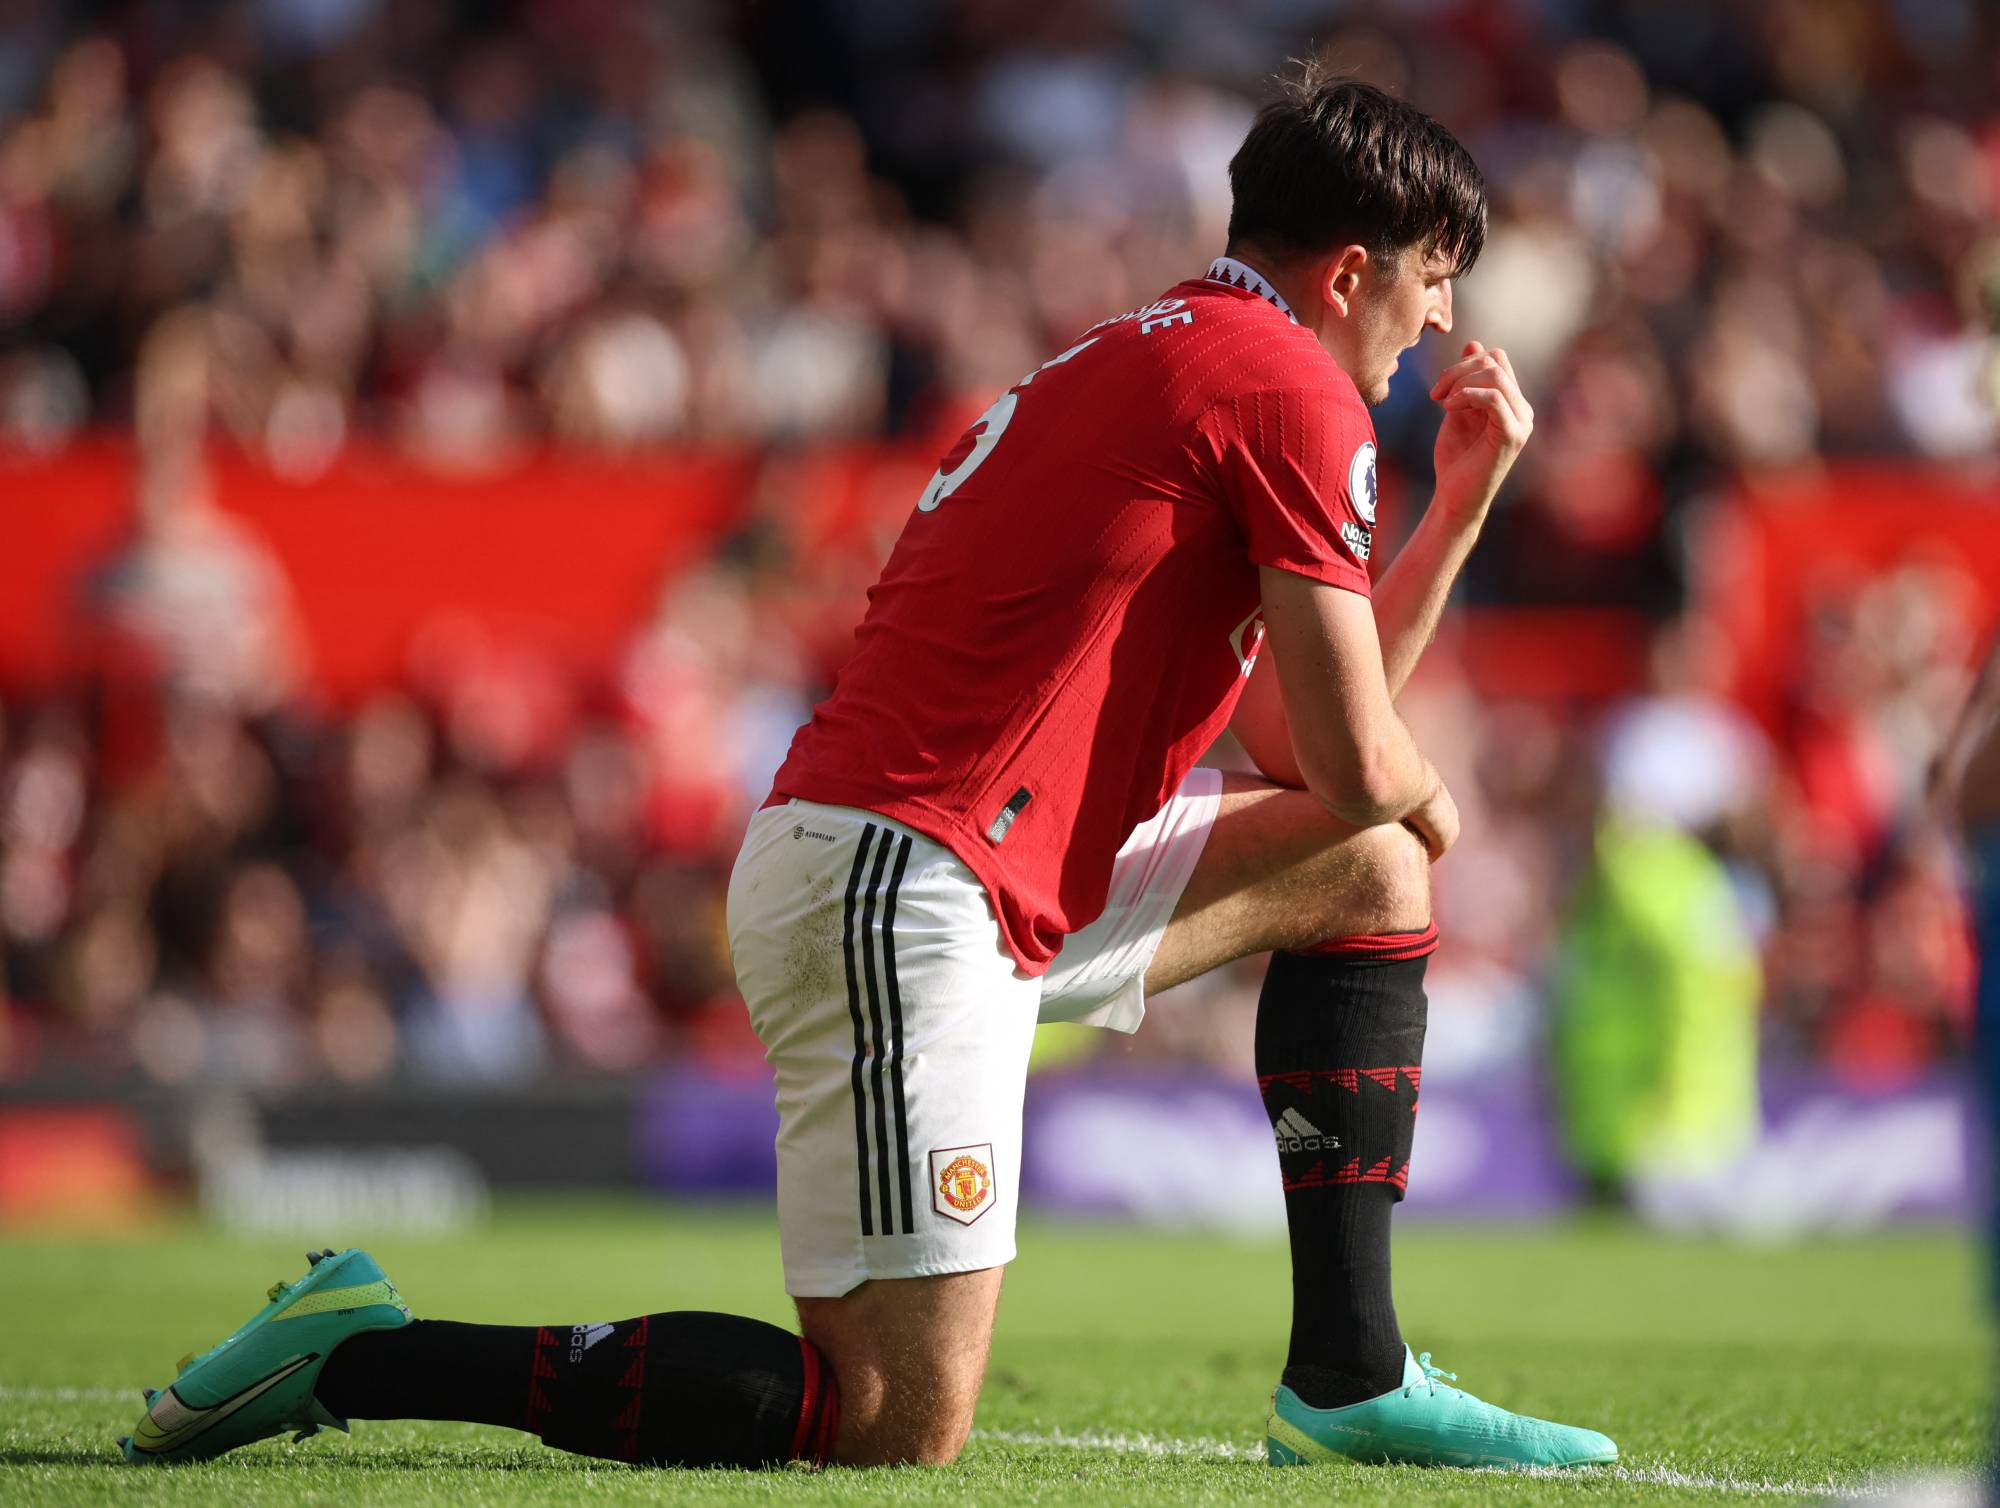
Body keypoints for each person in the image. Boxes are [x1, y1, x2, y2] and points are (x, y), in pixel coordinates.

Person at [122, 71, 1616, 1473]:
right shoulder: (1291, 389)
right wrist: (1433, 790)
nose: (1439, 319)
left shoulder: (1158, 351)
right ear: (1349, 273)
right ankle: (361, 1352)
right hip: (913, 881)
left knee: (1369, 870)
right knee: (892, 1417)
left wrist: (1458, 510)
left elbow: (1300, 750)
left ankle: (1350, 1375)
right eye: (1433, 278)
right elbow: (1352, 755)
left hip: (949, 860)